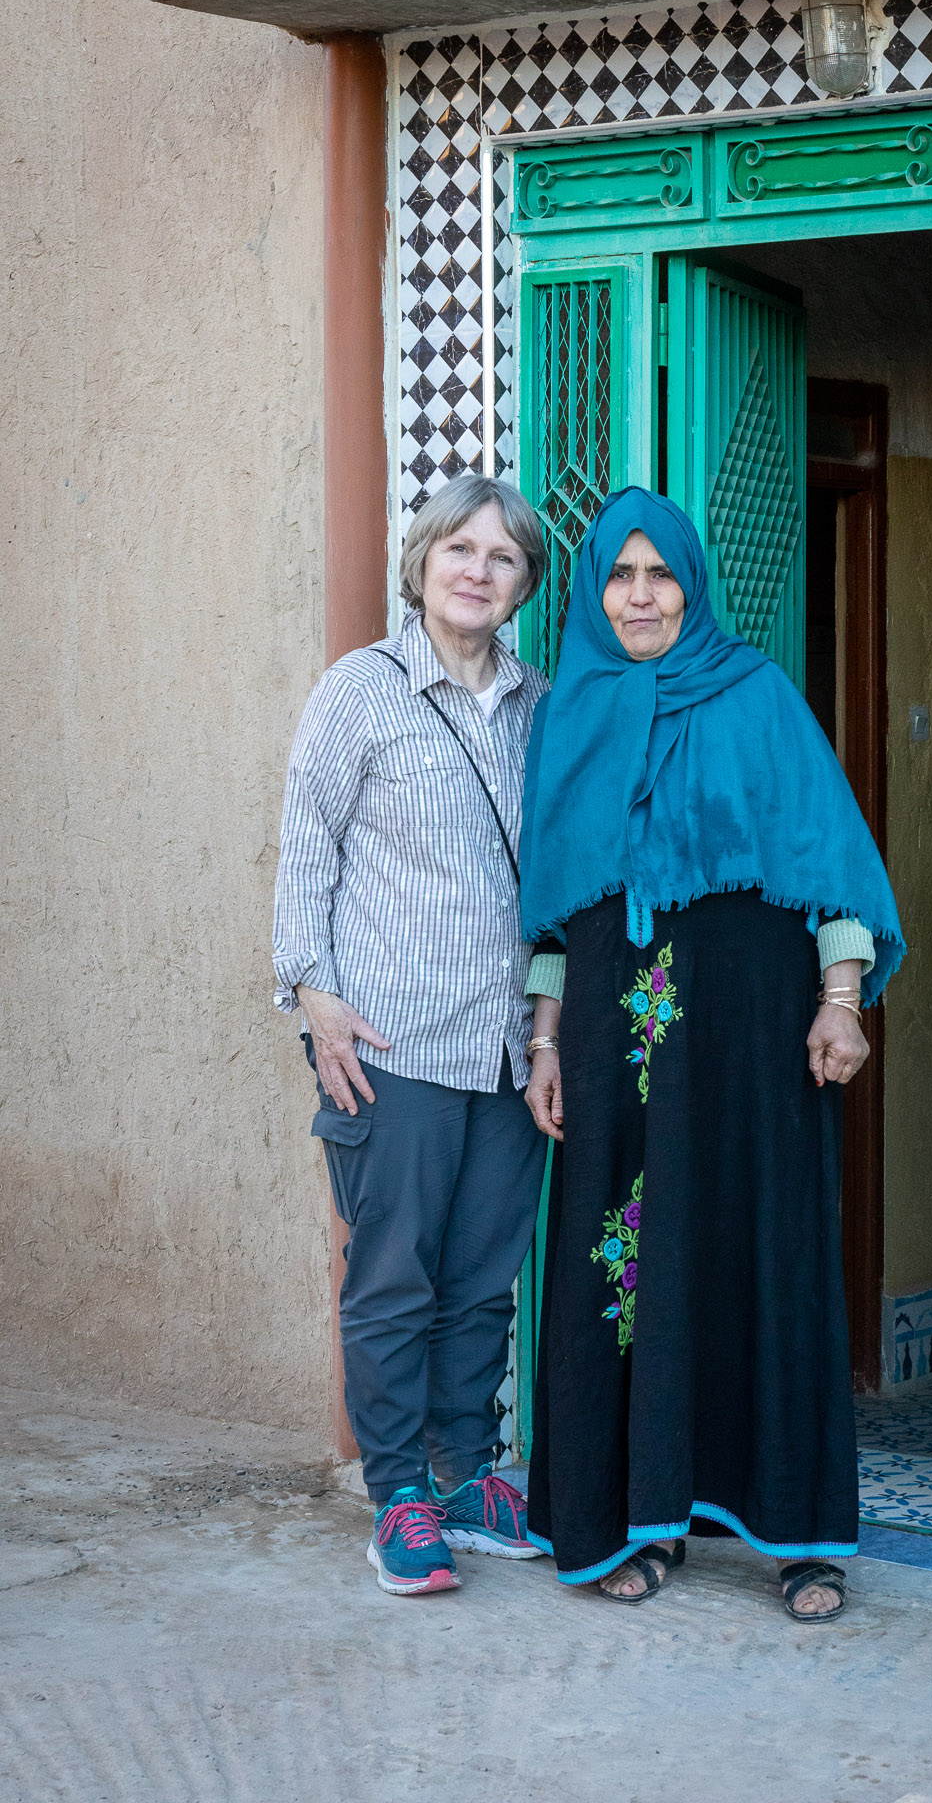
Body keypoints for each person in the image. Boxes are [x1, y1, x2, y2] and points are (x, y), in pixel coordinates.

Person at [520, 487, 903, 1621]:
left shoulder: (758, 694)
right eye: (620, 576)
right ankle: (627, 1519)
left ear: (691, 583)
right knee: (618, 1259)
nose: (640, 595)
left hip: (749, 1037)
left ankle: (797, 1534)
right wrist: (542, 1038)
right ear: (595, 591)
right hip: (610, 1038)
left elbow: (828, 861)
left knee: (763, 1248)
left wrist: (842, 1001)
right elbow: (550, 912)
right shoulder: (572, 710)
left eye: (660, 574)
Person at [273, 474, 551, 1596]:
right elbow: (306, 844)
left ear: (526, 582)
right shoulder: (362, 690)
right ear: (422, 560)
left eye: (503, 556)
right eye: (460, 549)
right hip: (388, 1038)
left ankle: (471, 1470)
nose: (478, 570)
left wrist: (549, 1026)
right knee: (395, 1275)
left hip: (503, 1046)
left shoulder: (542, 704)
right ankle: (398, 1495)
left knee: (484, 1276)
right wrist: (312, 991)